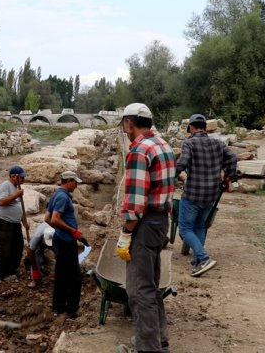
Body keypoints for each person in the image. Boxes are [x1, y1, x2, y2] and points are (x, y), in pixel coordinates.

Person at [115, 103, 176, 353]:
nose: (124, 130)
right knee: (151, 284)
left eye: (124, 125)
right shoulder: (163, 145)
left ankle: (147, 348)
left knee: (139, 290)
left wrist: (126, 233)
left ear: (130, 123)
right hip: (160, 221)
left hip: (144, 223)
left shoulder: (139, 150)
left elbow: (136, 201)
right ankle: (158, 338)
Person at [176, 113, 238, 277]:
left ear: (191, 127)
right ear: (205, 127)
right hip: (212, 194)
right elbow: (232, 157)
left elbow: (183, 162)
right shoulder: (218, 143)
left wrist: (170, 176)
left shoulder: (189, 143)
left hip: (193, 194)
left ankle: (203, 258)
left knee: (185, 228)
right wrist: (230, 177)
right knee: (199, 227)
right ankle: (197, 263)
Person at [47, 171, 89, 318]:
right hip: (66, 242)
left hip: (61, 239)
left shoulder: (56, 195)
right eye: (75, 182)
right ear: (69, 181)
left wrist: (60, 230)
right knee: (74, 277)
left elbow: (47, 218)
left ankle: (58, 306)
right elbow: (54, 219)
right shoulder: (63, 197)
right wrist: (73, 232)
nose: (76, 185)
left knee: (61, 274)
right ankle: (72, 310)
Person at [0, 166, 29, 282]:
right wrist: (16, 195)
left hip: (14, 222)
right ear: (14, 177)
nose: (23, 180)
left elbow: (19, 207)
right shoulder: (5, 186)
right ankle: (1, 274)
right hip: (4, 222)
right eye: (22, 178)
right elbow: (2, 201)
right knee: (5, 248)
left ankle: (11, 270)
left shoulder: (16, 187)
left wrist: (24, 222)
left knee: (18, 246)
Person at [26, 221, 54, 288]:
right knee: (37, 254)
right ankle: (35, 279)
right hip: (40, 242)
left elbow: (59, 252)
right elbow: (30, 251)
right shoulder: (37, 236)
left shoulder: (56, 234)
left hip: (52, 239)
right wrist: (35, 269)